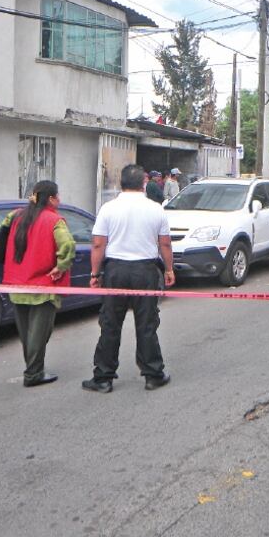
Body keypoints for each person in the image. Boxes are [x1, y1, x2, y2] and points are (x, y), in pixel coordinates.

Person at [82, 165, 175, 393]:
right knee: (147, 324)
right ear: (143, 183)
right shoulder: (156, 209)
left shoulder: (108, 209)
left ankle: (103, 377)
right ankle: (153, 375)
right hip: (145, 271)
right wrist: (169, 269)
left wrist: (95, 273)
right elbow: (165, 243)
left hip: (115, 270)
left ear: (120, 183)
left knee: (110, 324)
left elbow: (98, 244)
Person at [0, 180, 74, 387]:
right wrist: (61, 266)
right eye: (57, 196)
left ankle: (32, 369)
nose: (60, 199)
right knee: (39, 334)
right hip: (42, 286)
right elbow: (67, 245)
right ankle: (33, 374)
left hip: (17, 283)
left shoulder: (15, 216)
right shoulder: (54, 220)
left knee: (26, 332)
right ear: (50, 198)